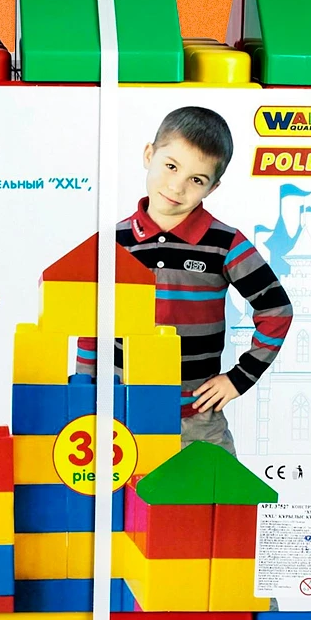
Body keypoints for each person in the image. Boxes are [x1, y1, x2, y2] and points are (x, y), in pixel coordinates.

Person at [77, 106, 292, 454]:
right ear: (149, 155)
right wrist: (84, 393)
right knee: (123, 492)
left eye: (197, 180)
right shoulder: (112, 243)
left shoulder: (226, 243)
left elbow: (276, 308)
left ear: (213, 187)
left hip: (196, 417)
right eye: (171, 166)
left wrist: (239, 378)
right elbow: (89, 320)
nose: (177, 186)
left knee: (213, 488)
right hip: (118, 413)